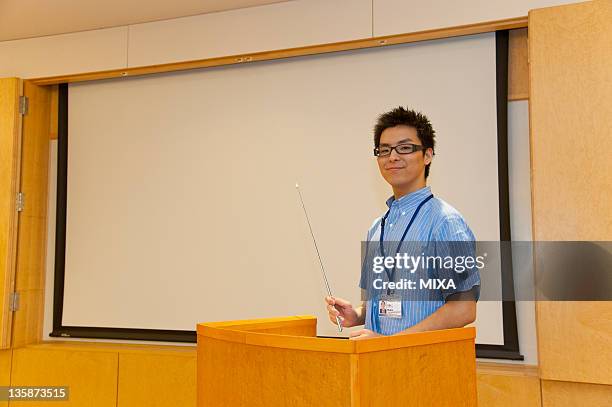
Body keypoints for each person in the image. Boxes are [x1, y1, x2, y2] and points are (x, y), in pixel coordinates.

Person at [325, 107, 480, 340]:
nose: (393, 157)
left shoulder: (445, 223)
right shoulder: (378, 228)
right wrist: (357, 315)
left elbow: (463, 309)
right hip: (378, 362)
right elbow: (381, 303)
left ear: (427, 155)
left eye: (405, 148)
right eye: (384, 150)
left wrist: (390, 344)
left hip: (422, 365)